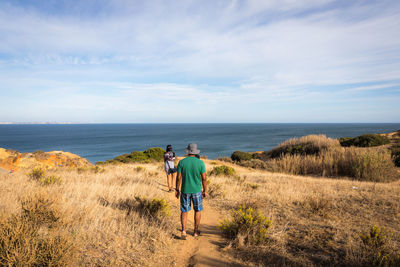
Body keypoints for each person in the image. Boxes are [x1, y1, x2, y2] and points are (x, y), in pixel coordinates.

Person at [175, 143, 207, 240]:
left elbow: (178, 177)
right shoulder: (200, 163)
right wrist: (205, 190)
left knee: (184, 211)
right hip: (197, 191)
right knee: (197, 210)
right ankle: (195, 231)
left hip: (185, 191)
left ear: (188, 152)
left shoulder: (182, 162)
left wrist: (177, 189)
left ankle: (184, 231)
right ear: (195, 152)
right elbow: (204, 179)